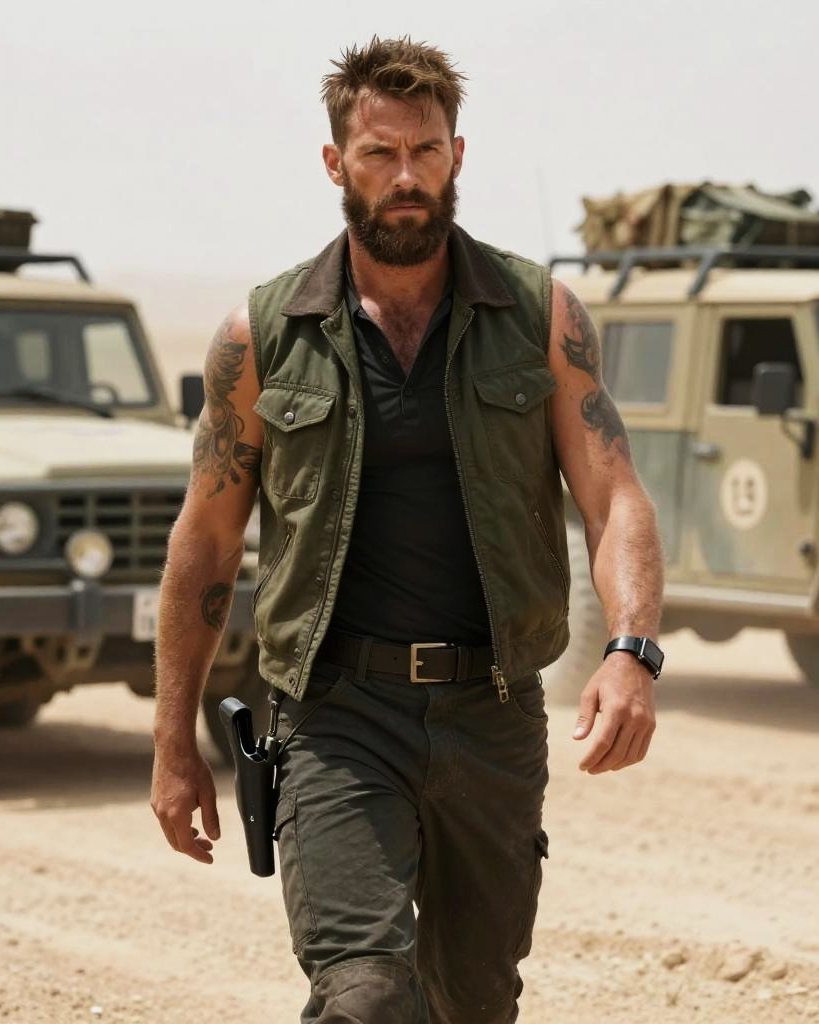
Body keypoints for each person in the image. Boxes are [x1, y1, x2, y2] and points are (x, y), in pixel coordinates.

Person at [151, 36, 663, 1024]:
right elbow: (204, 544)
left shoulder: (539, 315)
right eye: (379, 154)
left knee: (474, 1001)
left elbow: (615, 498)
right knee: (367, 993)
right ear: (335, 163)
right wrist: (174, 739)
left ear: (456, 156)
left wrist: (631, 648)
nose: (405, 177)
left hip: (491, 713)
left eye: (425, 151)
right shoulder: (262, 335)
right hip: (336, 715)